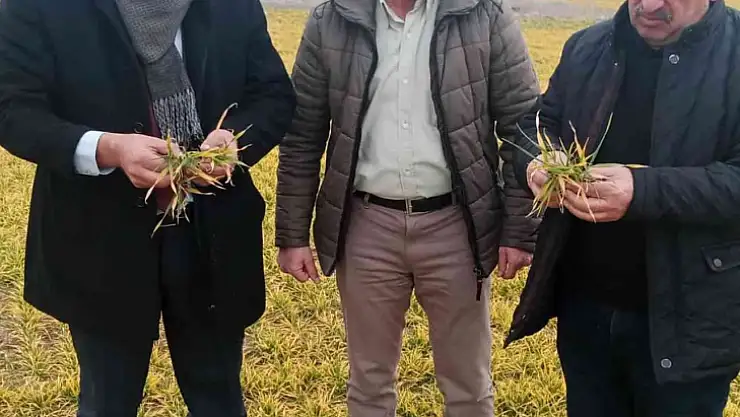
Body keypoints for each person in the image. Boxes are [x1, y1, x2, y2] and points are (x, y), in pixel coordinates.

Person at [0, 0, 295, 415]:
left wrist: (234, 141)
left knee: (218, 395)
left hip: (213, 235)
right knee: (107, 399)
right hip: (98, 239)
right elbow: (13, 108)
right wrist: (107, 149)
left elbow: (273, 95)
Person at [275, 0, 540, 415]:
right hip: (366, 228)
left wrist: (520, 230)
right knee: (368, 383)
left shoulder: (484, 15)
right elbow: (302, 136)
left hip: (457, 228)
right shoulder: (331, 20)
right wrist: (292, 236)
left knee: (468, 384)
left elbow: (523, 127)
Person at [503, 0, 740, 415]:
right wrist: (539, 163)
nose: (649, 5)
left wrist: (641, 190)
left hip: (690, 322)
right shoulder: (588, 46)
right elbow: (536, 124)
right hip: (585, 310)